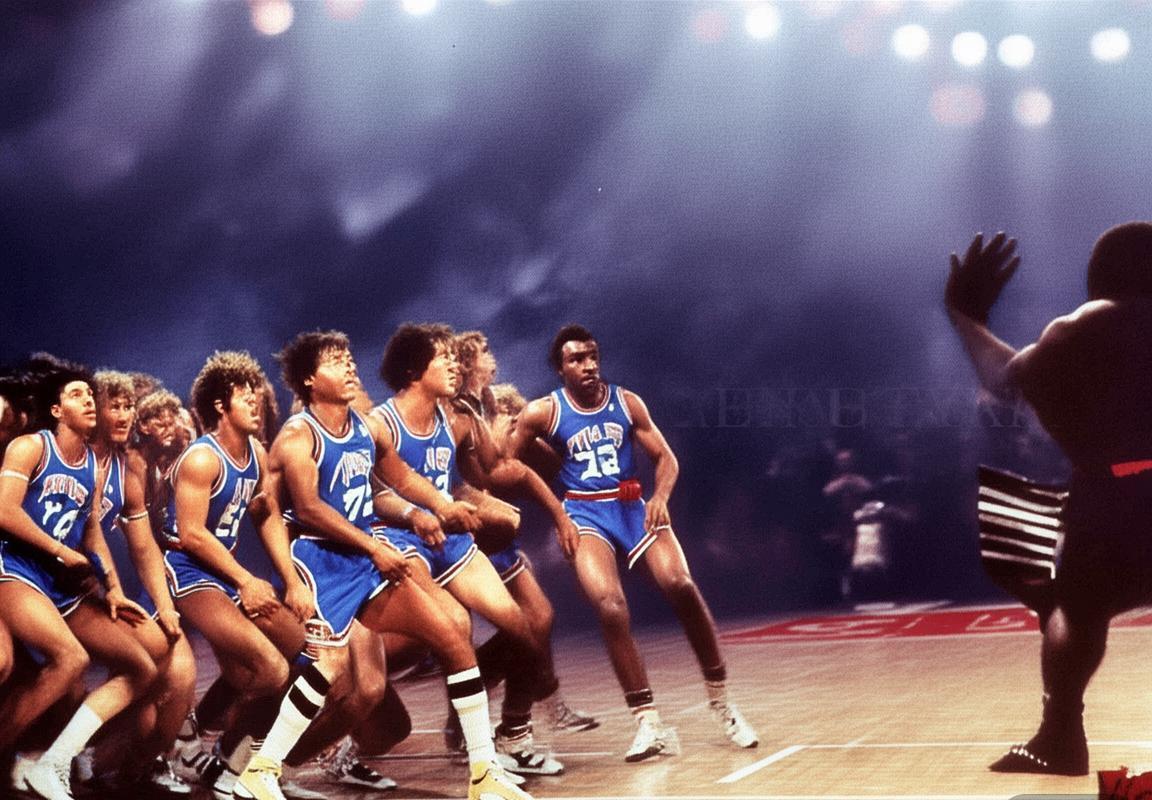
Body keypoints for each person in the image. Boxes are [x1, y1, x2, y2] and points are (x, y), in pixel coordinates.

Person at [233, 330, 531, 800]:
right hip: (319, 559)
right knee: (332, 668)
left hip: (361, 555)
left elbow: (402, 477)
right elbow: (309, 509)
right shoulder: (297, 435)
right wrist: (347, 558)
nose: (350, 366)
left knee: (453, 636)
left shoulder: (365, 428)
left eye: (349, 358)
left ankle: (484, 775)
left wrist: (439, 506)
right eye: (335, 361)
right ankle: (259, 768)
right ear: (309, 379)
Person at [945, 224, 1152, 775]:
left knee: (1076, 611)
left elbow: (1006, 380)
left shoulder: (1082, 328)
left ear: (1099, 277)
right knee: (1068, 601)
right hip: (1117, 492)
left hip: (1117, 496)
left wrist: (965, 317)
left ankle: (1059, 737)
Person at [509, 324, 759, 762]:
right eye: (576, 359)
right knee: (610, 606)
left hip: (631, 506)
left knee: (681, 584)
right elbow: (505, 464)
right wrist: (548, 502)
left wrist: (660, 498)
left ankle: (722, 701)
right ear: (560, 369)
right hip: (584, 513)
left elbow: (665, 458)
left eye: (592, 356)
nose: (588, 365)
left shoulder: (626, 402)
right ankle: (648, 722)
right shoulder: (541, 413)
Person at [372, 324, 585, 775]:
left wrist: (500, 504)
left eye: (456, 357)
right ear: (413, 370)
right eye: (443, 358)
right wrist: (420, 512)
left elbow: (476, 477)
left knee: (525, 626)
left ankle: (513, 733)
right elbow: (370, 495)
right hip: (400, 540)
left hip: (449, 538)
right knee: (445, 635)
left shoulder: (456, 417)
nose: (455, 364)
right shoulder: (380, 424)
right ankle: (471, 746)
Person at [0, 360, 158, 800]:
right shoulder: (31, 447)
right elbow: (4, 511)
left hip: (57, 583)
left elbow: (92, 534)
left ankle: (51, 762)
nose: (89, 401)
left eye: (90, 395)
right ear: (56, 410)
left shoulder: (93, 465)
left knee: (142, 668)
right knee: (71, 659)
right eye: (76, 395)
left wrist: (113, 588)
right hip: (15, 568)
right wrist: (59, 550)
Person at [452, 332, 598, 735]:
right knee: (526, 624)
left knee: (538, 620)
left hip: (496, 535)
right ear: (466, 363)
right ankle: (493, 716)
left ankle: (534, 708)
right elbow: (488, 475)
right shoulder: (457, 411)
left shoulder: (486, 404)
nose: (492, 356)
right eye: (484, 351)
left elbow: (518, 467)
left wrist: (524, 440)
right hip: (471, 534)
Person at [87, 370, 197, 794]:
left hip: (130, 587)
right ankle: (88, 758)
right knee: (147, 678)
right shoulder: (93, 459)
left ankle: (135, 764)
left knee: (176, 677)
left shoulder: (136, 466)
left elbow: (145, 543)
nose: (129, 415)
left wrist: (164, 603)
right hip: (84, 586)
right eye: (118, 405)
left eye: (131, 406)